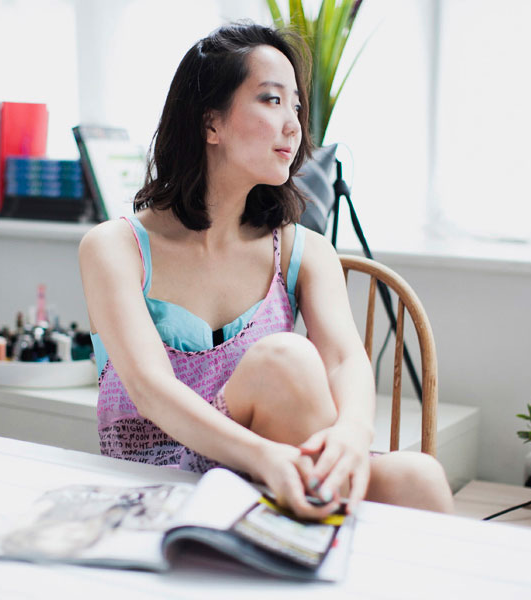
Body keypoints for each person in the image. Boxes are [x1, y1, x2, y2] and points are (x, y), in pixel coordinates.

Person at [79, 22, 453, 519]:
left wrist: (351, 432)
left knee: (421, 478)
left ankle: (314, 537)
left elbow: (345, 360)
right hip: (165, 472)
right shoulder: (116, 247)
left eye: (296, 106)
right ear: (210, 124)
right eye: (272, 100)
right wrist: (267, 458)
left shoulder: (303, 251)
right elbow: (151, 389)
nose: (294, 125)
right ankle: (319, 538)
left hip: (277, 462)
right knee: (285, 360)